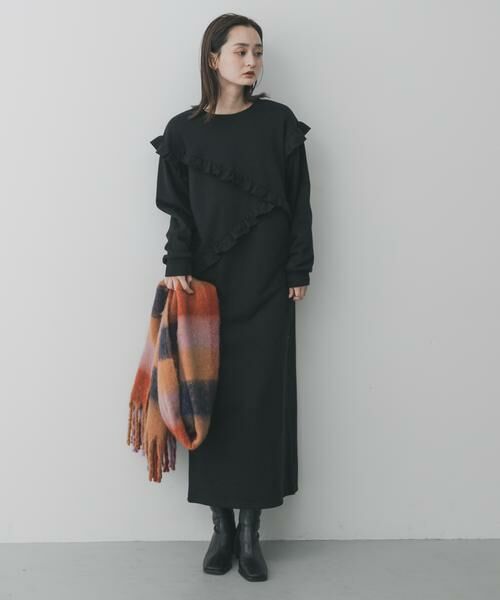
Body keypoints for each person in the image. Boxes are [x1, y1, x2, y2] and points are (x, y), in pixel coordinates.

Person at [150, 13, 314, 582]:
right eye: (241, 50)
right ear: (213, 58)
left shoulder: (278, 123)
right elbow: (178, 211)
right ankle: (220, 528)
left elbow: (300, 200)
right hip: (205, 288)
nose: (252, 61)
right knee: (207, 399)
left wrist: (299, 266)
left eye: (258, 52)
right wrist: (177, 265)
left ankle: (250, 533)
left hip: (268, 285)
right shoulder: (183, 131)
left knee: (260, 401)